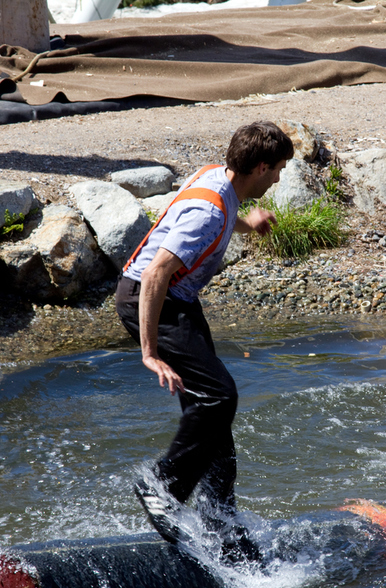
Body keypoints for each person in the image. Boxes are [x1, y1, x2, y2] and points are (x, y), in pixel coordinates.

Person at [115, 121, 294, 561]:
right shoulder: (210, 211)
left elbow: (217, 218)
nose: (279, 179)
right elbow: (156, 272)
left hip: (175, 299)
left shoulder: (218, 179)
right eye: (278, 170)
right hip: (153, 299)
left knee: (214, 416)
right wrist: (150, 352)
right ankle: (163, 486)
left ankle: (219, 523)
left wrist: (249, 225)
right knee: (219, 397)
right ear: (260, 166)